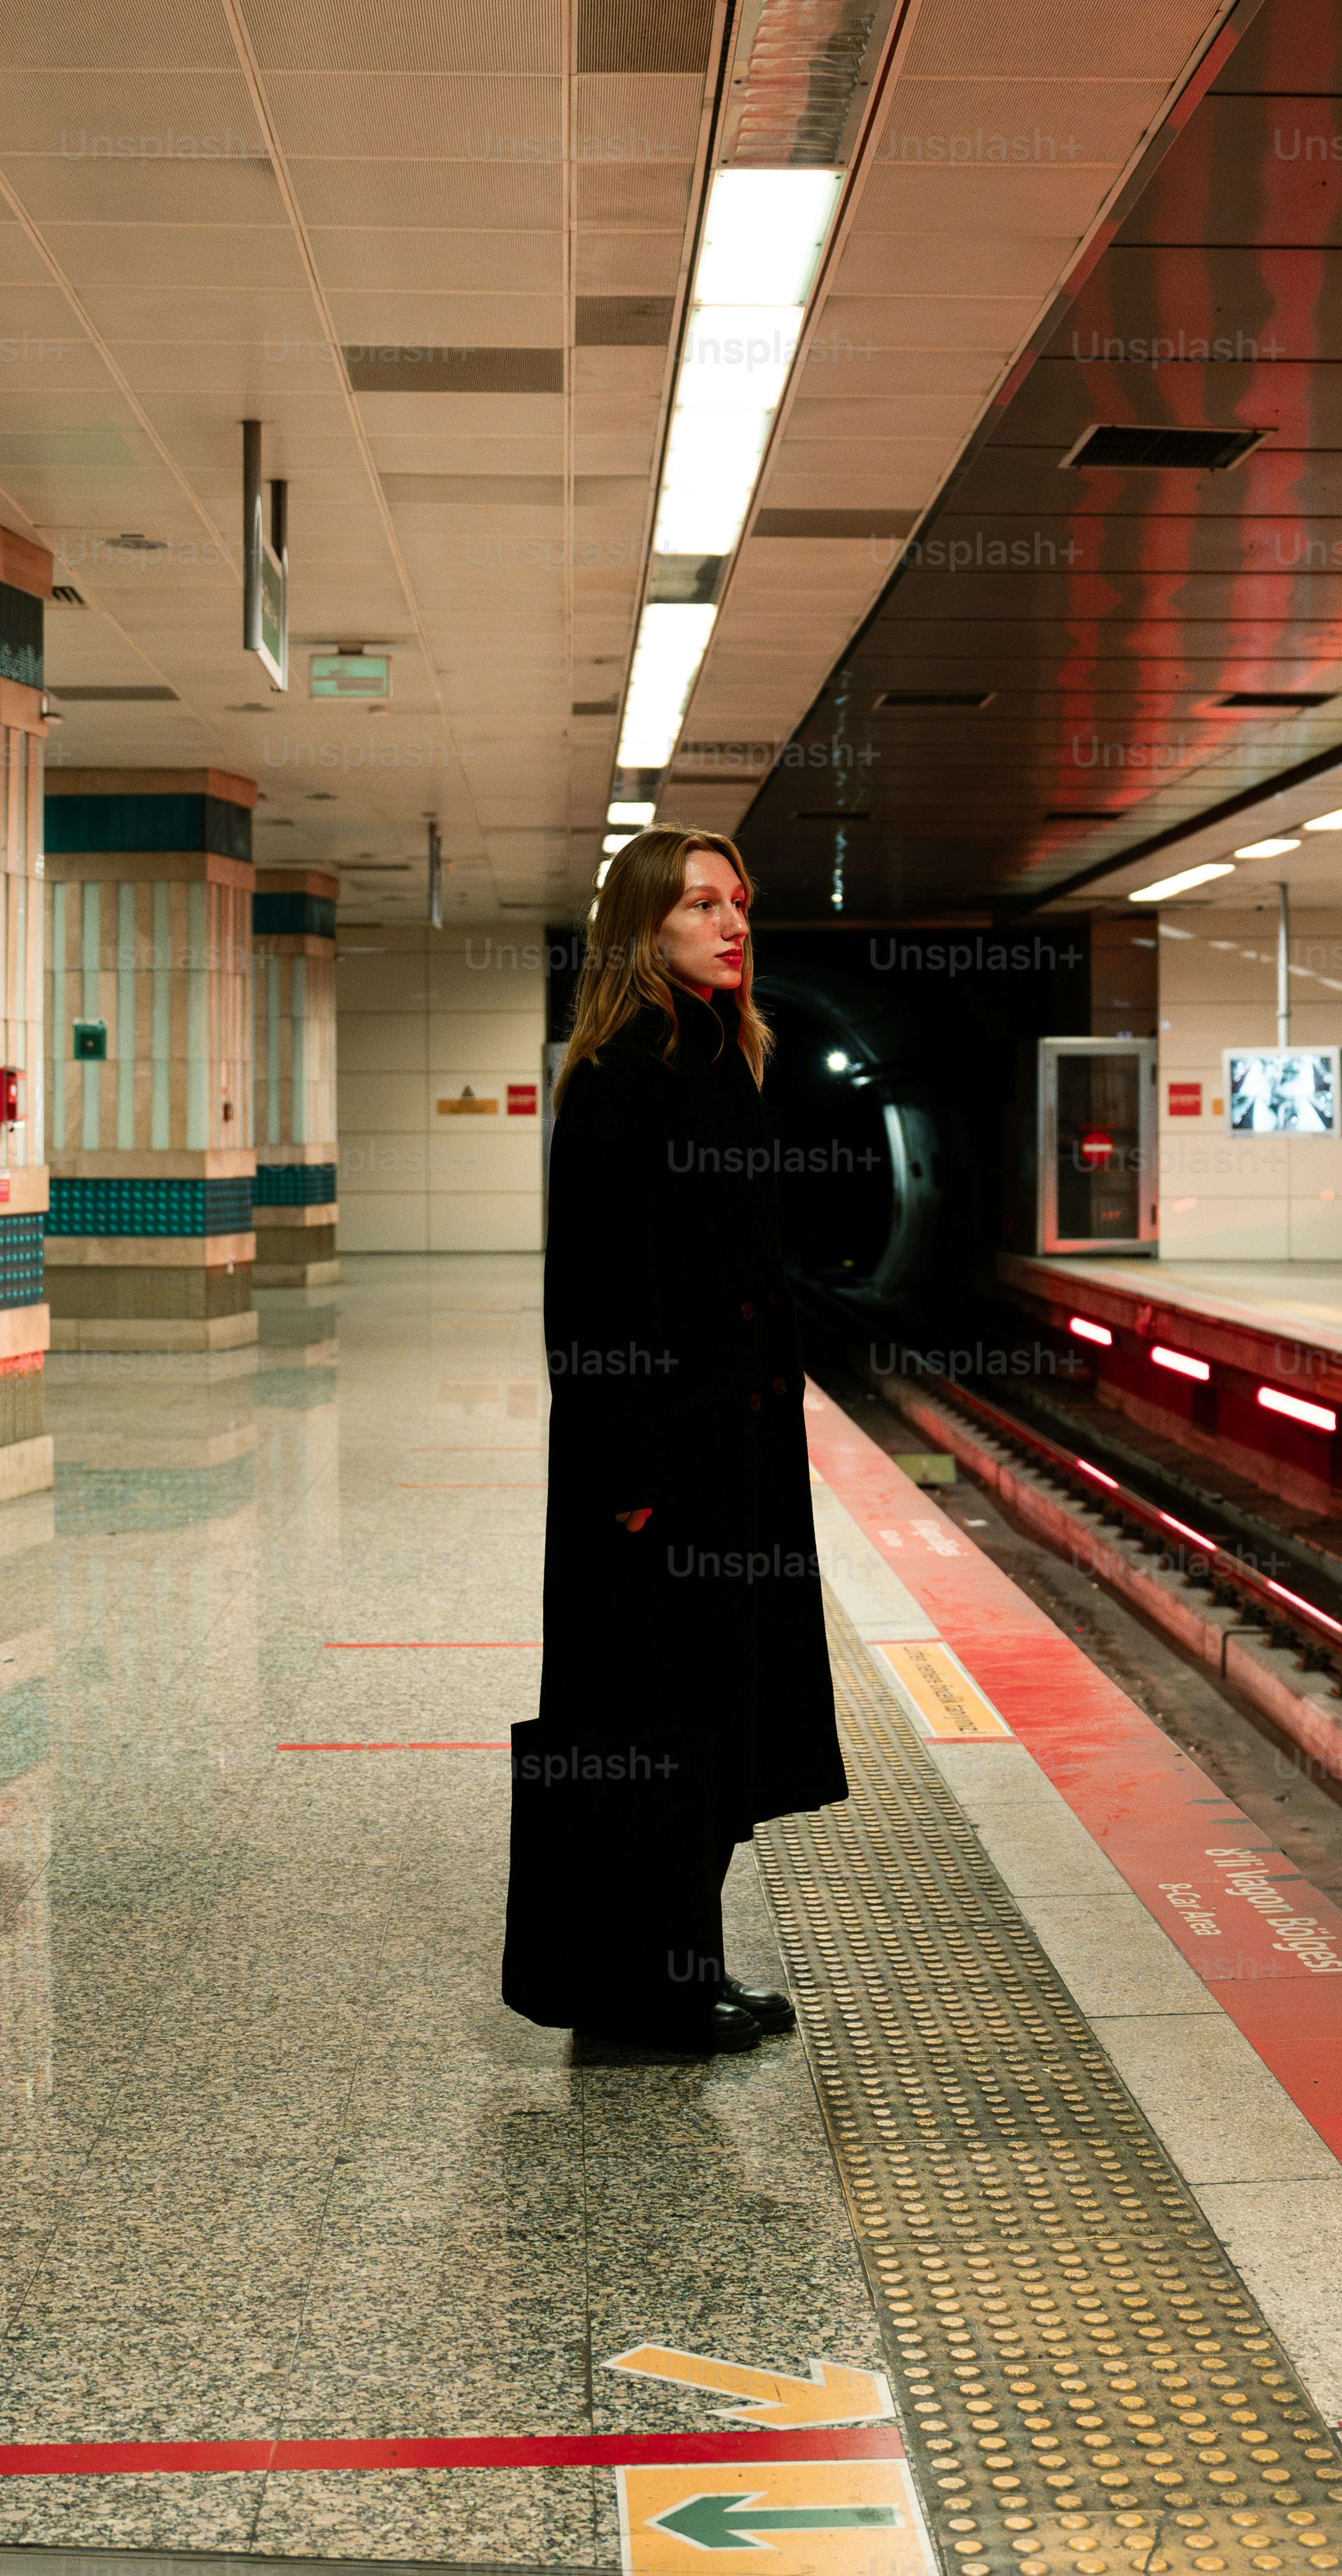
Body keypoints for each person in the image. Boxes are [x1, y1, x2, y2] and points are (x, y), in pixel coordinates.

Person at [499, 828, 848, 2054]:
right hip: (662, 1476)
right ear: (644, 930)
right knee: (653, 1739)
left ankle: (680, 1973)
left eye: (740, 900)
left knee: (709, 1737)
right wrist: (626, 1480)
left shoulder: (720, 1058)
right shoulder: (622, 1077)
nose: (732, 921)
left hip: (734, 1465)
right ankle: (641, 1994)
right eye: (702, 904)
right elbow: (592, 1295)